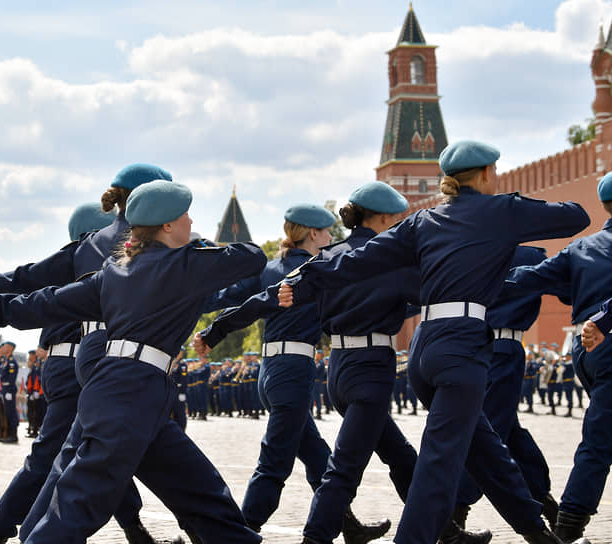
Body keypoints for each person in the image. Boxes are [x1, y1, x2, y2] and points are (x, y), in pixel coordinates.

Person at [279, 141, 590, 544]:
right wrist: (514, 209)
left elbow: (359, 258)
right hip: (462, 347)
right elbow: (577, 216)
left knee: (488, 454)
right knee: (439, 464)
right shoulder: (501, 211)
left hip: (426, 347)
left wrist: (304, 277)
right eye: (493, 172)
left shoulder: (423, 221)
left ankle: (539, 535)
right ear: (484, 175)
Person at [0, 179, 266, 544]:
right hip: (131, 393)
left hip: (129, 391)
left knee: (201, 491)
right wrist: (197, 245)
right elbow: (252, 256)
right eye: (184, 216)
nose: (191, 222)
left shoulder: (114, 273)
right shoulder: (189, 264)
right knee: (80, 502)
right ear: (167, 226)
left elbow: (49, 301)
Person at [0, 164, 171, 544]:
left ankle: (131, 529)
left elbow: (21, 278)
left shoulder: (83, 249)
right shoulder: (129, 247)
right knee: (65, 455)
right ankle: (8, 532)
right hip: (96, 361)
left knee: (94, 450)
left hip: (72, 361)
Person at [279, 183, 486, 544]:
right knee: (344, 469)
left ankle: (446, 532)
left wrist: (218, 328)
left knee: (402, 457)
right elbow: (433, 293)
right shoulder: (388, 258)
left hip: (339, 368)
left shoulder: (328, 255)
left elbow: (278, 293)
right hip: (369, 368)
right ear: (386, 217)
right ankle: (315, 538)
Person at [195, 202, 391, 543]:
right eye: (329, 231)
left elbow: (238, 300)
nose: (332, 237)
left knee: (316, 455)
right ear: (313, 234)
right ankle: (238, 531)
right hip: (294, 371)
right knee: (275, 460)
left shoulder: (270, 268)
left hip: (270, 373)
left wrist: (209, 327)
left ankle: (347, 525)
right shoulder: (323, 269)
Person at [507, 170, 612, 542]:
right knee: (600, 439)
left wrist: (471, 278)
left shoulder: (581, 248)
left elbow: (528, 278)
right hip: (605, 339)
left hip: (587, 353)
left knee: (601, 434)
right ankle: (569, 524)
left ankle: (569, 520)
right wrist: (604, 318)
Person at [451, 246, 560, 533]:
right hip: (503, 347)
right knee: (490, 434)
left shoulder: (471, 250)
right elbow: (567, 290)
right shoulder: (531, 255)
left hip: (470, 345)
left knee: (504, 429)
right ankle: (456, 511)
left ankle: (544, 500)